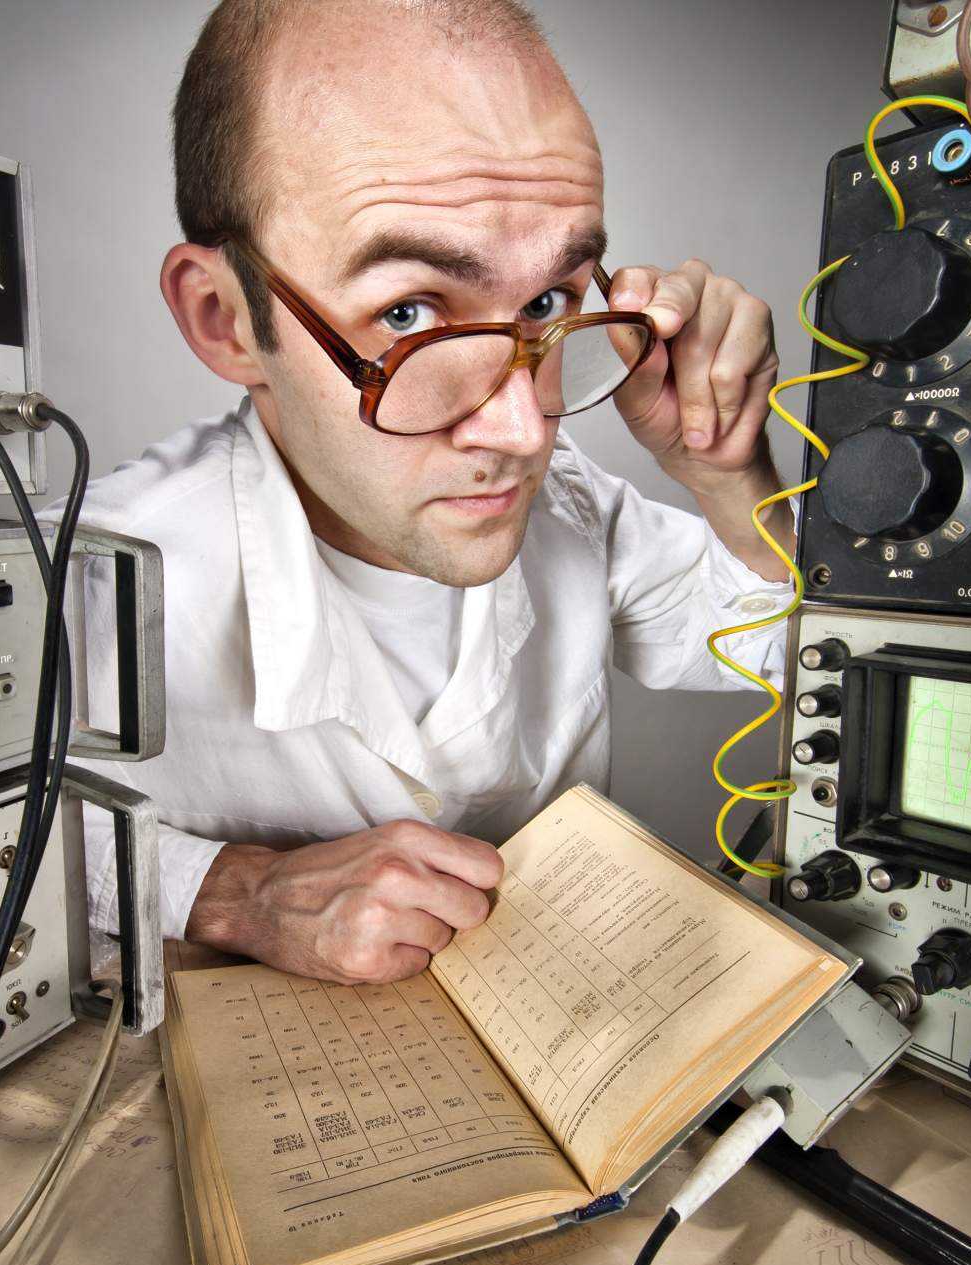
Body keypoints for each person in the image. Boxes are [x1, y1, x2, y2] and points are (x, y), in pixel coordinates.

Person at [65, 0, 795, 986]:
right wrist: (234, 891)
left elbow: (797, 650)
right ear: (225, 318)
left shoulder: (576, 507)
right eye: (407, 312)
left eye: (547, 302)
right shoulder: (89, 575)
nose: (524, 430)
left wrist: (725, 467)